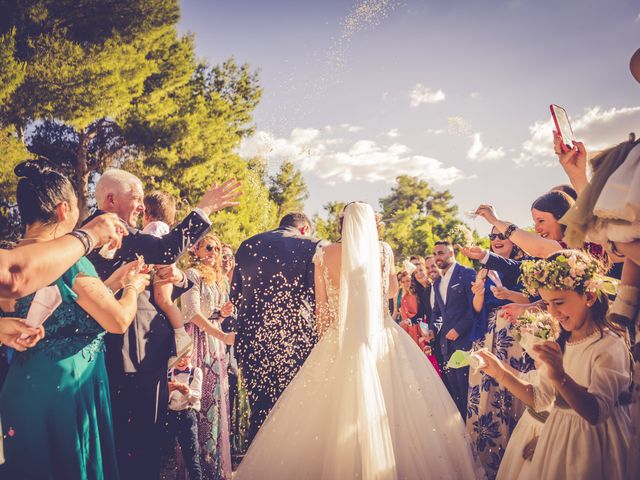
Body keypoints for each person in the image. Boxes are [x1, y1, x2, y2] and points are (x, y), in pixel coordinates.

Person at [234, 202, 483, 479]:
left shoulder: (324, 253)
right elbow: (390, 292)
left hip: (339, 337)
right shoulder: (383, 251)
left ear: (341, 224)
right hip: (381, 335)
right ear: (372, 225)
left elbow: (322, 307)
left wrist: (324, 341)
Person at [84, 168, 241, 480]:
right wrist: (204, 208)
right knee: (135, 444)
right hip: (127, 353)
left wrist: (179, 277)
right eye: (137, 198)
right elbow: (166, 250)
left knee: (146, 441)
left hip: (143, 352)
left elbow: (164, 270)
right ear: (111, 200)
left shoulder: (121, 232)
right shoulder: (107, 229)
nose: (142, 206)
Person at [0, 160, 150, 479]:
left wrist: (111, 285)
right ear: (63, 210)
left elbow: (70, 310)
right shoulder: (70, 260)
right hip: (67, 391)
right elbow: (119, 320)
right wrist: (134, 289)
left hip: (20, 388)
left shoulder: (11, 256)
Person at [478, 250, 632, 480]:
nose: (552, 312)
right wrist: (500, 372)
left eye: (559, 302)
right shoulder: (562, 340)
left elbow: (596, 412)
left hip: (596, 448)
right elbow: (540, 399)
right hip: (559, 440)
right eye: (547, 303)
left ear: (589, 297)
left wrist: (559, 375)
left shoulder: (608, 345)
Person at [230, 212, 323, 443]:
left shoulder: (248, 244)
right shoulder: (311, 246)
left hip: (251, 339)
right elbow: (316, 298)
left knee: (260, 408)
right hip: (295, 340)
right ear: (304, 229)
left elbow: (235, 295)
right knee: (294, 408)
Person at [464, 228, 532, 479]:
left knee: (511, 390)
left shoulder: (525, 266)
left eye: (501, 235)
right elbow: (476, 309)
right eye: (492, 237)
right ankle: (490, 458)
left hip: (513, 334)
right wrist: (479, 295)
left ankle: (518, 455)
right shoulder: (483, 271)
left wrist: (508, 295)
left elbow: (534, 300)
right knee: (487, 391)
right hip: (487, 333)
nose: (497, 240)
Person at [181, 234, 236, 480]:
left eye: (217, 248)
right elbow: (192, 313)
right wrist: (222, 335)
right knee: (198, 401)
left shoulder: (218, 281)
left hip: (214, 344)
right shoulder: (192, 275)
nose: (215, 252)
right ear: (196, 250)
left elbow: (212, 314)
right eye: (210, 247)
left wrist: (222, 314)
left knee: (215, 401)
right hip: (198, 342)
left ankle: (211, 463)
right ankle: (195, 467)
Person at [0, 212, 126, 299]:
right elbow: (12, 275)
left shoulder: (14, 249)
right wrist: (90, 235)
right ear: (63, 209)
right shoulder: (73, 262)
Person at [141, 190, 192, 366]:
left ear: (146, 212)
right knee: (164, 301)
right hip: (161, 271)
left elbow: (154, 249)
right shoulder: (161, 227)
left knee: (163, 300)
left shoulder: (154, 227)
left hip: (161, 271)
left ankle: (181, 335)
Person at [430, 240, 477, 417]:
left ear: (452, 254)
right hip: (446, 346)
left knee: (467, 392)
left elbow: (475, 308)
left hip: (465, 343)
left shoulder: (466, 274)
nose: (437, 257)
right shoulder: (437, 281)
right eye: (435, 254)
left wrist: (459, 329)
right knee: (454, 394)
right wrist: (433, 329)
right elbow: (436, 311)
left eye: (441, 253)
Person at [162, 349, 203, 480]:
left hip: (187, 416)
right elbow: (161, 402)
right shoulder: (167, 372)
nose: (182, 361)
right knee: (167, 455)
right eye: (179, 357)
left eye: (186, 357)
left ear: (191, 356)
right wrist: (167, 392)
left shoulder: (195, 372)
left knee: (191, 457)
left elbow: (196, 397)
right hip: (170, 416)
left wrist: (187, 391)